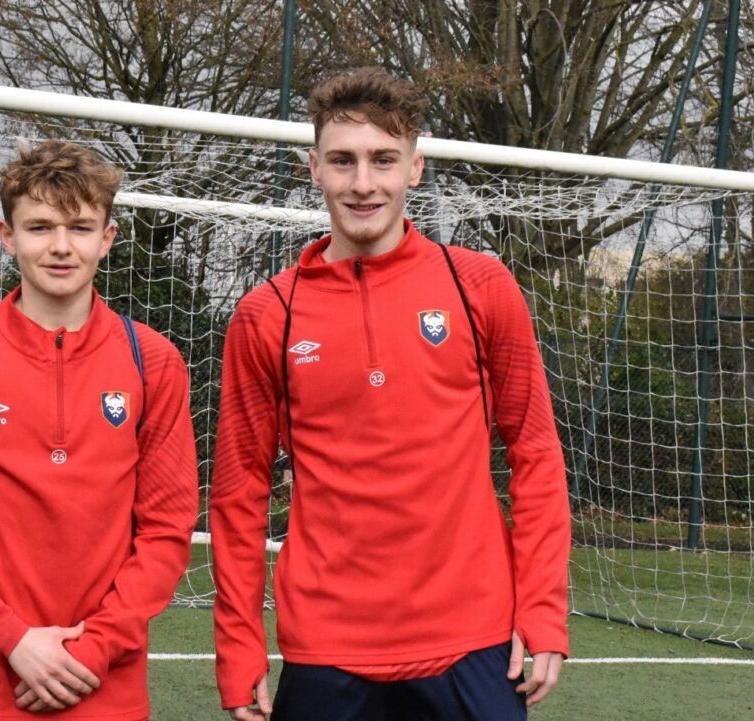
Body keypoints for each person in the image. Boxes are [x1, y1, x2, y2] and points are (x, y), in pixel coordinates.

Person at [210, 67, 571, 721]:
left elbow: (536, 453)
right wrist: (239, 646)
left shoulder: (480, 287)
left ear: (416, 167)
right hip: (327, 645)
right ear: (313, 168)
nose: (363, 183)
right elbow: (238, 495)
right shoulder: (269, 315)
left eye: (383, 159)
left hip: (473, 640)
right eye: (343, 161)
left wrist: (542, 606)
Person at [0, 139, 198, 721]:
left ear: (107, 239)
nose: (61, 247)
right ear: (7, 236)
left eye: (81, 227)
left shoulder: (152, 360)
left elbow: (165, 530)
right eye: (39, 227)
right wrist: (15, 640)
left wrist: (95, 650)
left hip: (105, 690)